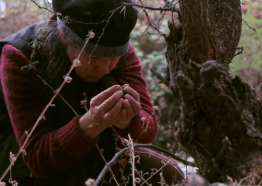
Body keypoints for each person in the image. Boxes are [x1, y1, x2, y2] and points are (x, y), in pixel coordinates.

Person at [0, 0, 184, 185]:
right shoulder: (20, 55)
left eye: (113, 57)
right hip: (28, 168)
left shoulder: (121, 49)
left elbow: (149, 128)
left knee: (168, 173)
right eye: (93, 56)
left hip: (103, 152)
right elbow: (37, 159)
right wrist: (90, 124)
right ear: (65, 38)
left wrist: (128, 120)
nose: (104, 68)